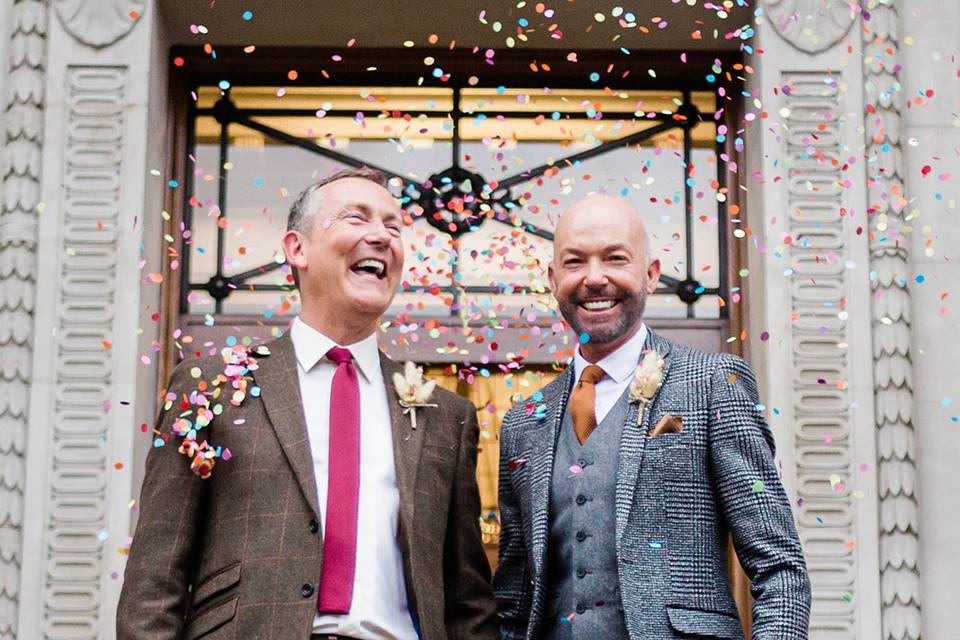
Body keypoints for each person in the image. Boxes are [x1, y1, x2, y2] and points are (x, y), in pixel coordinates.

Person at [118, 169, 498, 640]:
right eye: (356, 218)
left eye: (393, 227)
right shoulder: (212, 386)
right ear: (297, 249)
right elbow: (154, 585)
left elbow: (468, 602)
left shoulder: (446, 416)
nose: (380, 236)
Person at [493, 194, 811, 639]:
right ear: (552, 278)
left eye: (615, 259)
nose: (595, 277)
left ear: (651, 273)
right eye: (575, 261)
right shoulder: (524, 422)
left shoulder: (714, 382)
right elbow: (512, 601)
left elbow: (779, 567)